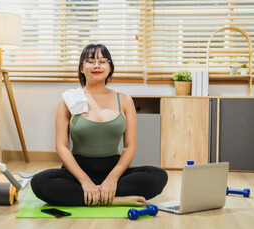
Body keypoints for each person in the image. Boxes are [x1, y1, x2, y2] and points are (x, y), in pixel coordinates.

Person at [31, 43, 168, 207]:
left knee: (158, 176)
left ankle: (91, 197)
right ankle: (114, 200)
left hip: (113, 169)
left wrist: (113, 178)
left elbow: (130, 147)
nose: (96, 65)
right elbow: (61, 146)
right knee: (40, 182)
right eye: (90, 60)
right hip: (77, 171)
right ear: (82, 68)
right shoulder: (69, 99)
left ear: (110, 67)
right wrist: (84, 181)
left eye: (102, 61)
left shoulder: (125, 100)